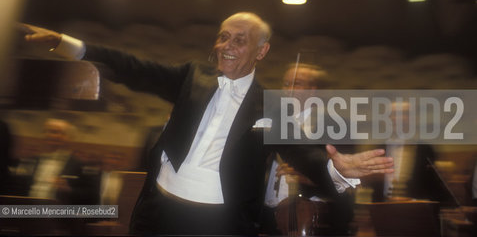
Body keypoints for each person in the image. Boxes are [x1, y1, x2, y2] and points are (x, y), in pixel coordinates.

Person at [20, 12, 393, 235]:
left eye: (240, 40)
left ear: (261, 52)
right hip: (160, 212)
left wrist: (337, 168)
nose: (226, 46)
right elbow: (132, 68)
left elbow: (302, 153)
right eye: (223, 36)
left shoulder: (272, 106)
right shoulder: (191, 76)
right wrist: (69, 45)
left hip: (219, 223)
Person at [262, 63, 355, 235]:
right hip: (270, 218)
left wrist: (307, 178)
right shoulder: (272, 121)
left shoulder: (338, 125)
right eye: (286, 84)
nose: (288, 89)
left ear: (312, 90)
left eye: (296, 84)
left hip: (316, 221)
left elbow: (348, 182)